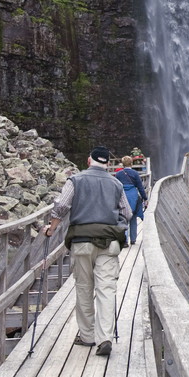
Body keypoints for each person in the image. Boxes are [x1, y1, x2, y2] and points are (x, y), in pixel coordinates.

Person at [43, 146, 131, 357]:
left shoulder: (75, 180)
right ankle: (105, 338)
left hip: (81, 242)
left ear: (89, 160)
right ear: (108, 163)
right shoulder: (117, 183)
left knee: (84, 287)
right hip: (109, 243)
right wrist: (114, 224)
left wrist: (51, 228)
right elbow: (127, 213)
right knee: (106, 289)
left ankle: (87, 335)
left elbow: (62, 206)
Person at [114, 156, 148, 245]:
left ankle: (125, 240)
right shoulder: (135, 173)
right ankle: (133, 239)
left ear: (123, 164)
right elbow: (140, 187)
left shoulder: (118, 174)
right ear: (131, 163)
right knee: (133, 217)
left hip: (123, 196)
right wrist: (145, 198)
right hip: (133, 196)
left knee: (124, 218)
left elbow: (116, 187)